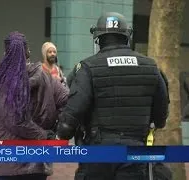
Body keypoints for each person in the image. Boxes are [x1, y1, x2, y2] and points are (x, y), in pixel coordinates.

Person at [56, 12, 169, 180]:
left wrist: (63, 132)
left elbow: (73, 112)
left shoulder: (88, 67)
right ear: (127, 36)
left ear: (98, 38)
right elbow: (161, 117)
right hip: (135, 152)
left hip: (98, 153)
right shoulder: (151, 67)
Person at [0, 32, 68, 180]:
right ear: (28, 52)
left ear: (5, 53)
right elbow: (68, 101)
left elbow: (14, 121)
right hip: (36, 162)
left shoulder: (2, 80)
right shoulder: (47, 78)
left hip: (4, 162)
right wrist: (55, 131)